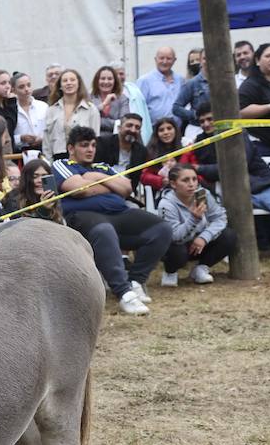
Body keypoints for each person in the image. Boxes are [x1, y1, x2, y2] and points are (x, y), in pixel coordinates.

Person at [51, 126, 172, 316]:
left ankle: (136, 281)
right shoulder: (62, 165)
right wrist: (109, 184)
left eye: (92, 145)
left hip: (119, 213)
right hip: (83, 217)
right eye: (84, 145)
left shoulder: (101, 167)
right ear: (71, 148)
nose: (90, 149)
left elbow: (126, 188)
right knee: (104, 230)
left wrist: (95, 177)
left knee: (162, 228)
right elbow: (80, 190)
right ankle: (124, 293)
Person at [192, 108, 270, 257]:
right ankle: (234, 252)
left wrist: (200, 168)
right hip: (230, 191)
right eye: (202, 121)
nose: (206, 124)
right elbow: (212, 171)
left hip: (262, 186)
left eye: (210, 119)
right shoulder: (201, 142)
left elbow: (236, 165)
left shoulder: (238, 133)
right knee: (223, 220)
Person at [156, 164, 238, 285]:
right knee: (176, 251)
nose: (192, 184)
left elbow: (220, 218)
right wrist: (193, 219)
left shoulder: (203, 194)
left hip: (200, 243)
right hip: (178, 246)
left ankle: (201, 268)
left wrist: (204, 237)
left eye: (194, 179)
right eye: (185, 180)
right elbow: (174, 237)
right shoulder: (166, 204)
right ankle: (170, 272)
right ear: (173, 184)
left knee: (229, 236)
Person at [44, 69, 98, 158]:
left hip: (82, 158)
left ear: (79, 84)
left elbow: (96, 138)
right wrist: (49, 162)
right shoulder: (51, 110)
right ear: (60, 86)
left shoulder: (90, 109)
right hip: (58, 157)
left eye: (72, 80)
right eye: (65, 81)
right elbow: (46, 141)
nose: (69, 83)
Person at [93, 114, 150, 192]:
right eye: (129, 125)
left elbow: (135, 181)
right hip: (100, 189)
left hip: (125, 192)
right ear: (119, 128)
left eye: (137, 128)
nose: (133, 130)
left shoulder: (141, 151)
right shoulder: (103, 143)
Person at [141, 118, 195, 194]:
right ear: (157, 134)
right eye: (161, 130)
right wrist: (161, 180)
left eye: (169, 128)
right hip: (163, 191)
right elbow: (144, 176)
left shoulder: (186, 145)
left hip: (190, 188)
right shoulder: (151, 151)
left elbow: (195, 167)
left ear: (175, 129)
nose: (166, 132)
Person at [137, 46, 182, 127]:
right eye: (161, 58)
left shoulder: (180, 80)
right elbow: (139, 109)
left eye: (168, 58)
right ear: (155, 59)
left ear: (174, 60)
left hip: (178, 131)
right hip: (153, 131)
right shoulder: (144, 81)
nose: (165, 62)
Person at [13, 158, 63, 223]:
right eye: (35, 176)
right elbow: (25, 229)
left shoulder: (52, 198)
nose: (40, 180)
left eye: (44, 176)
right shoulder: (14, 199)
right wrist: (44, 209)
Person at [12, 72, 47, 151]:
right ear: (13, 90)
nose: (26, 89)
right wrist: (20, 138)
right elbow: (8, 136)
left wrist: (42, 139)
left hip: (43, 149)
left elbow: (50, 131)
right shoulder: (11, 109)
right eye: (21, 87)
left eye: (29, 85)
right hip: (20, 152)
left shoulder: (43, 106)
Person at [90, 66, 130, 134]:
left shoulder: (122, 99)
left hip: (115, 140)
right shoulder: (89, 98)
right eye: (102, 78)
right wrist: (104, 104)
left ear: (115, 81)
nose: (106, 82)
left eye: (110, 79)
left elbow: (124, 123)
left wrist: (97, 121)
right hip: (94, 139)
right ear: (97, 81)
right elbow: (88, 117)